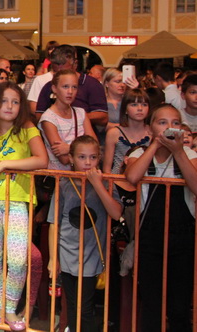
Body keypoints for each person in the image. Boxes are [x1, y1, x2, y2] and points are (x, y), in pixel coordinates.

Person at [0, 82, 48, 331]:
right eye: (5, 101)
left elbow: (42, 160)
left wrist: (5, 164)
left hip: (17, 201)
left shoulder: (27, 129)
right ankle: (2, 309)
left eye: (15, 102)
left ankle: (9, 309)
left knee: (17, 260)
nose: (10, 106)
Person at [125, 104, 197, 332]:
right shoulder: (139, 153)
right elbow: (132, 176)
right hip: (150, 235)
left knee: (179, 304)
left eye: (175, 123)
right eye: (162, 122)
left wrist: (178, 152)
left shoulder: (190, 155)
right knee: (151, 302)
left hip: (183, 235)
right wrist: (155, 144)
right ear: (150, 127)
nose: (169, 127)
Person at [48, 136, 122, 332]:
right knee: (72, 304)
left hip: (91, 254)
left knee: (85, 307)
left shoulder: (107, 183)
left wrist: (97, 184)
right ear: (71, 159)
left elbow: (116, 213)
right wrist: (53, 259)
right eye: (82, 157)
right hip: (67, 252)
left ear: (99, 158)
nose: (88, 162)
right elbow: (54, 223)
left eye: (93, 157)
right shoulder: (63, 184)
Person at [38, 70, 96, 172]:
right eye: (65, 87)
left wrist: (69, 148)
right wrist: (84, 151)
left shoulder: (81, 113)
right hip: (59, 177)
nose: (70, 91)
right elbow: (64, 159)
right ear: (54, 89)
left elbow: (95, 147)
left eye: (74, 87)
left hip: (82, 175)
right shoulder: (48, 118)